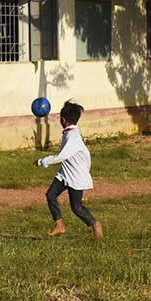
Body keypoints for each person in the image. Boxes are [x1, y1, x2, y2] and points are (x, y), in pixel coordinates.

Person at [36, 100, 103, 238]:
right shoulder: (68, 133)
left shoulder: (72, 136)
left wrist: (42, 161)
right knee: (50, 195)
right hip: (65, 173)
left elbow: (61, 156)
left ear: (63, 119)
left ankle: (95, 224)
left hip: (76, 176)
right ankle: (59, 225)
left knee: (76, 208)